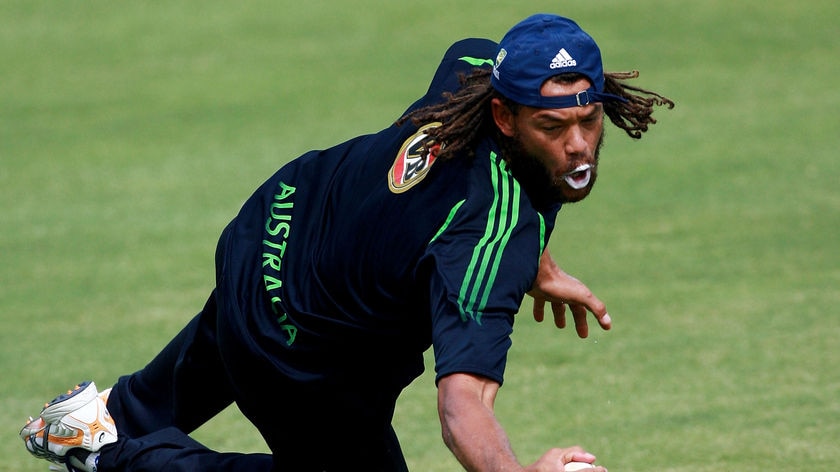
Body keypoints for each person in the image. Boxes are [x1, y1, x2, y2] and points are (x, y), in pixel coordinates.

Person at [20, 13, 673, 472]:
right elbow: (461, 402)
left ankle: (106, 417)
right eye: (553, 126)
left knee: (208, 358)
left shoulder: (474, 70)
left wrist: (538, 263)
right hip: (300, 345)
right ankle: (107, 456)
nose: (579, 144)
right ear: (503, 115)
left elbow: (498, 194)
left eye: (590, 119)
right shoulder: (488, 241)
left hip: (277, 224)